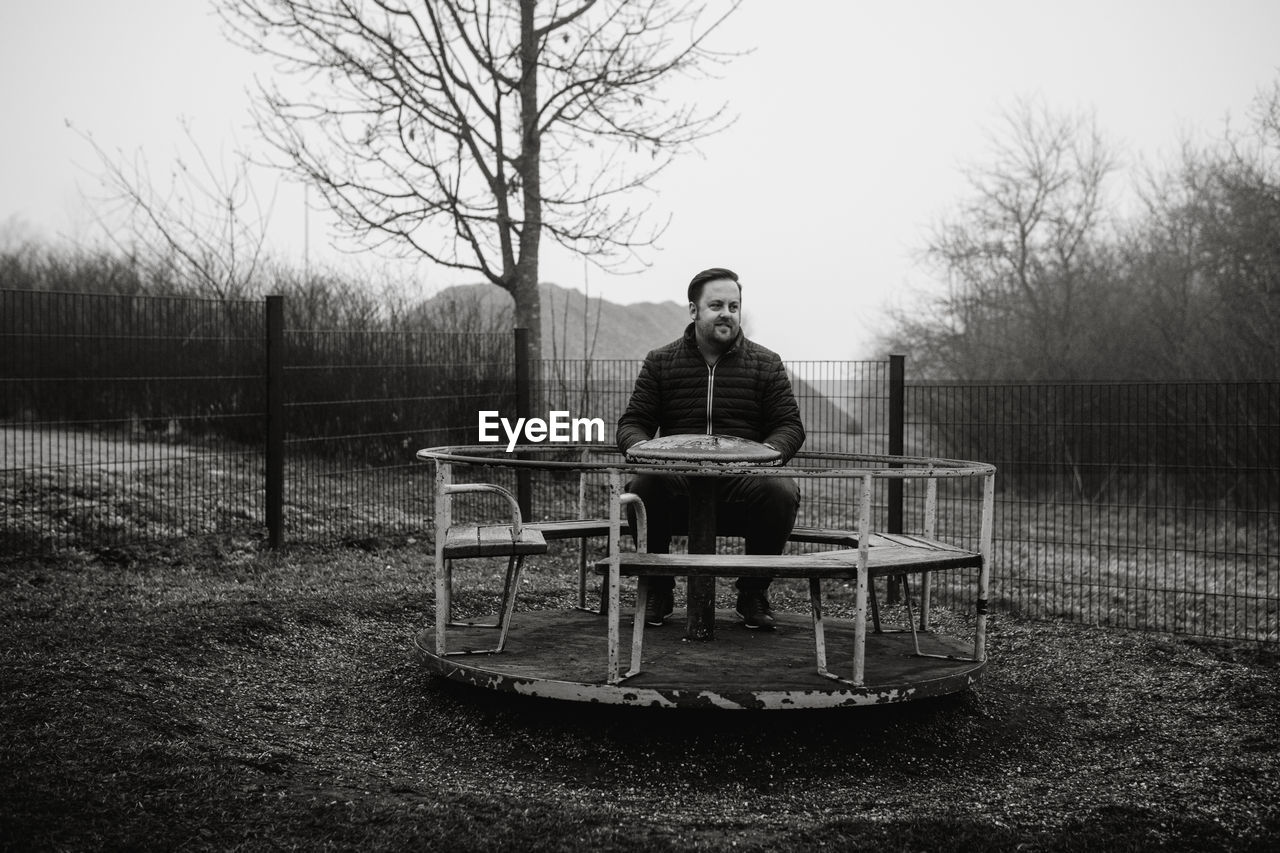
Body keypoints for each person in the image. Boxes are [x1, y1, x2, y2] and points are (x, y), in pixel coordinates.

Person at [616, 267, 805, 629]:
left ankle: (752, 594)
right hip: (679, 480)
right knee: (643, 484)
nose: (726, 313)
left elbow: (789, 425)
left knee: (781, 490)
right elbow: (633, 422)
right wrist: (640, 448)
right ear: (693, 311)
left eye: (733, 306)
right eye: (716, 305)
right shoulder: (661, 361)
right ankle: (658, 590)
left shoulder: (766, 363)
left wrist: (767, 454)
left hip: (742, 480)